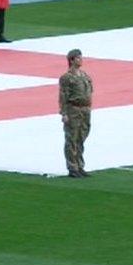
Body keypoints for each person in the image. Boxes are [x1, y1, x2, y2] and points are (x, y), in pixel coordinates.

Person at [59, 48, 93, 178]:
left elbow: (90, 91)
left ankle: (80, 165)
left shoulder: (85, 75)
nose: (81, 60)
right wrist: (64, 113)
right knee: (71, 138)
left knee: (81, 138)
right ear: (72, 60)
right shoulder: (67, 78)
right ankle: (72, 167)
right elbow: (63, 96)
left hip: (85, 109)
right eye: (78, 58)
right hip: (73, 109)